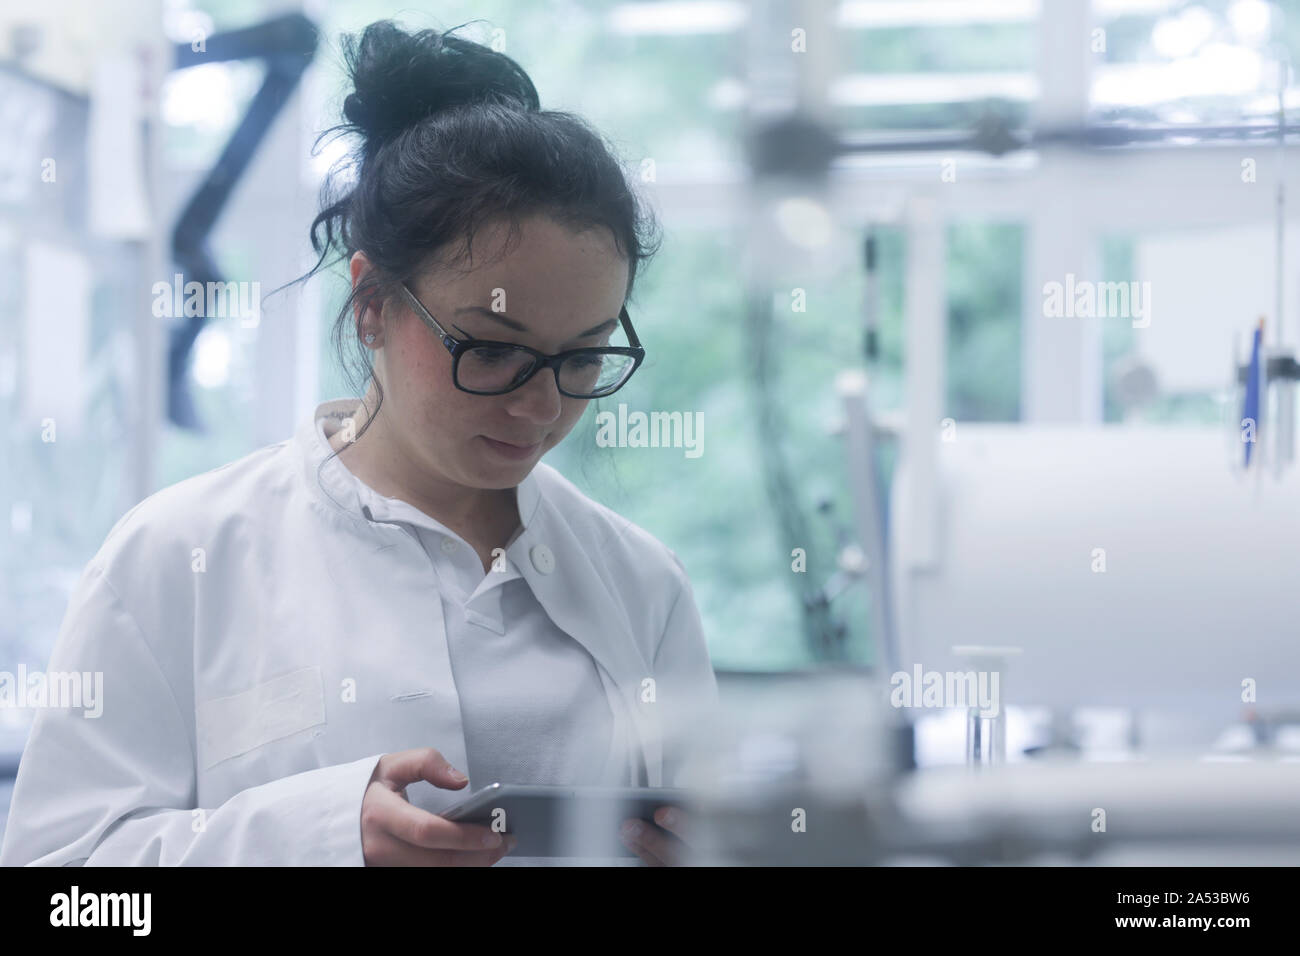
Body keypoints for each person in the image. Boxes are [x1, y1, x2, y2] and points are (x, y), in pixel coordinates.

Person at [0, 19, 718, 867]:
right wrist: (313, 837)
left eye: (585, 357)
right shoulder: (176, 559)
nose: (539, 406)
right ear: (372, 298)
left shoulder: (642, 588)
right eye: (491, 347)